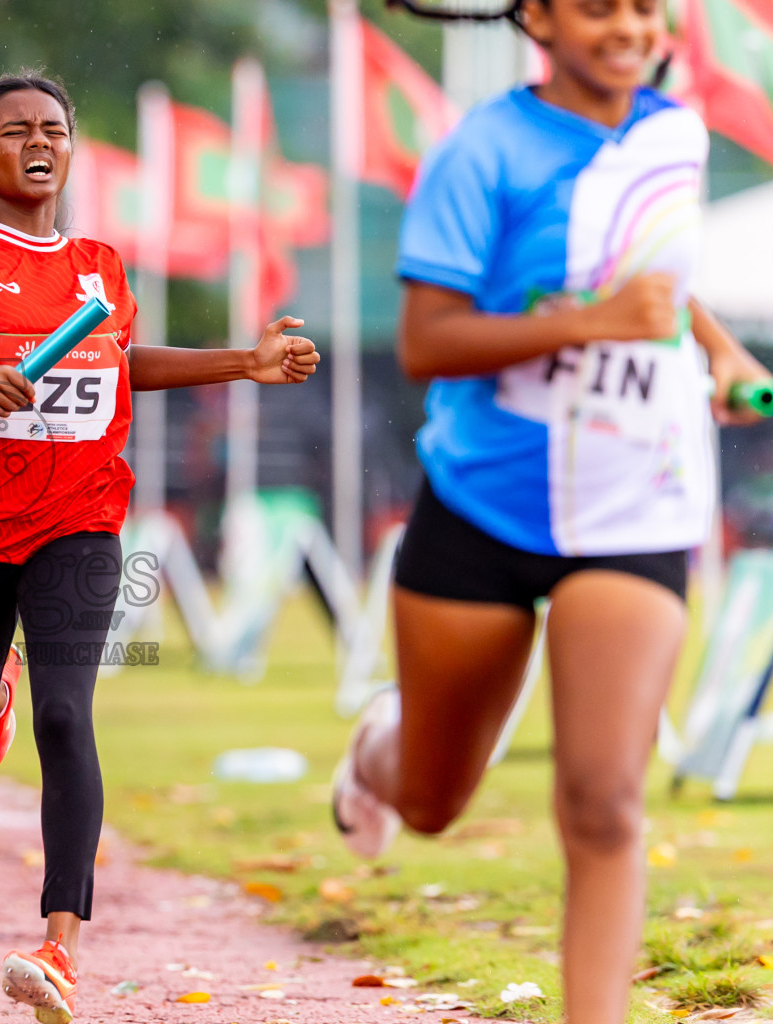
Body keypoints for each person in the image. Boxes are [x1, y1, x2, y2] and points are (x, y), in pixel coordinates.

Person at [0, 73, 319, 1024]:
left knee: (70, 715)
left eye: (54, 128)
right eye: (15, 132)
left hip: (81, 518)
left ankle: (58, 945)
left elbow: (116, 361)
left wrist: (244, 361)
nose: (40, 142)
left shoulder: (99, 264)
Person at [328, 4, 770, 1024]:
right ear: (538, 16)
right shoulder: (480, 150)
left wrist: (717, 348)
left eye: (642, 6)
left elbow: (654, 268)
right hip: (485, 504)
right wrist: (595, 324)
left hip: (639, 507)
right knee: (433, 802)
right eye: (597, 6)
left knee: (606, 800)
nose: (627, 25)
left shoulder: (677, 132)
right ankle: (373, 752)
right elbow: (428, 343)